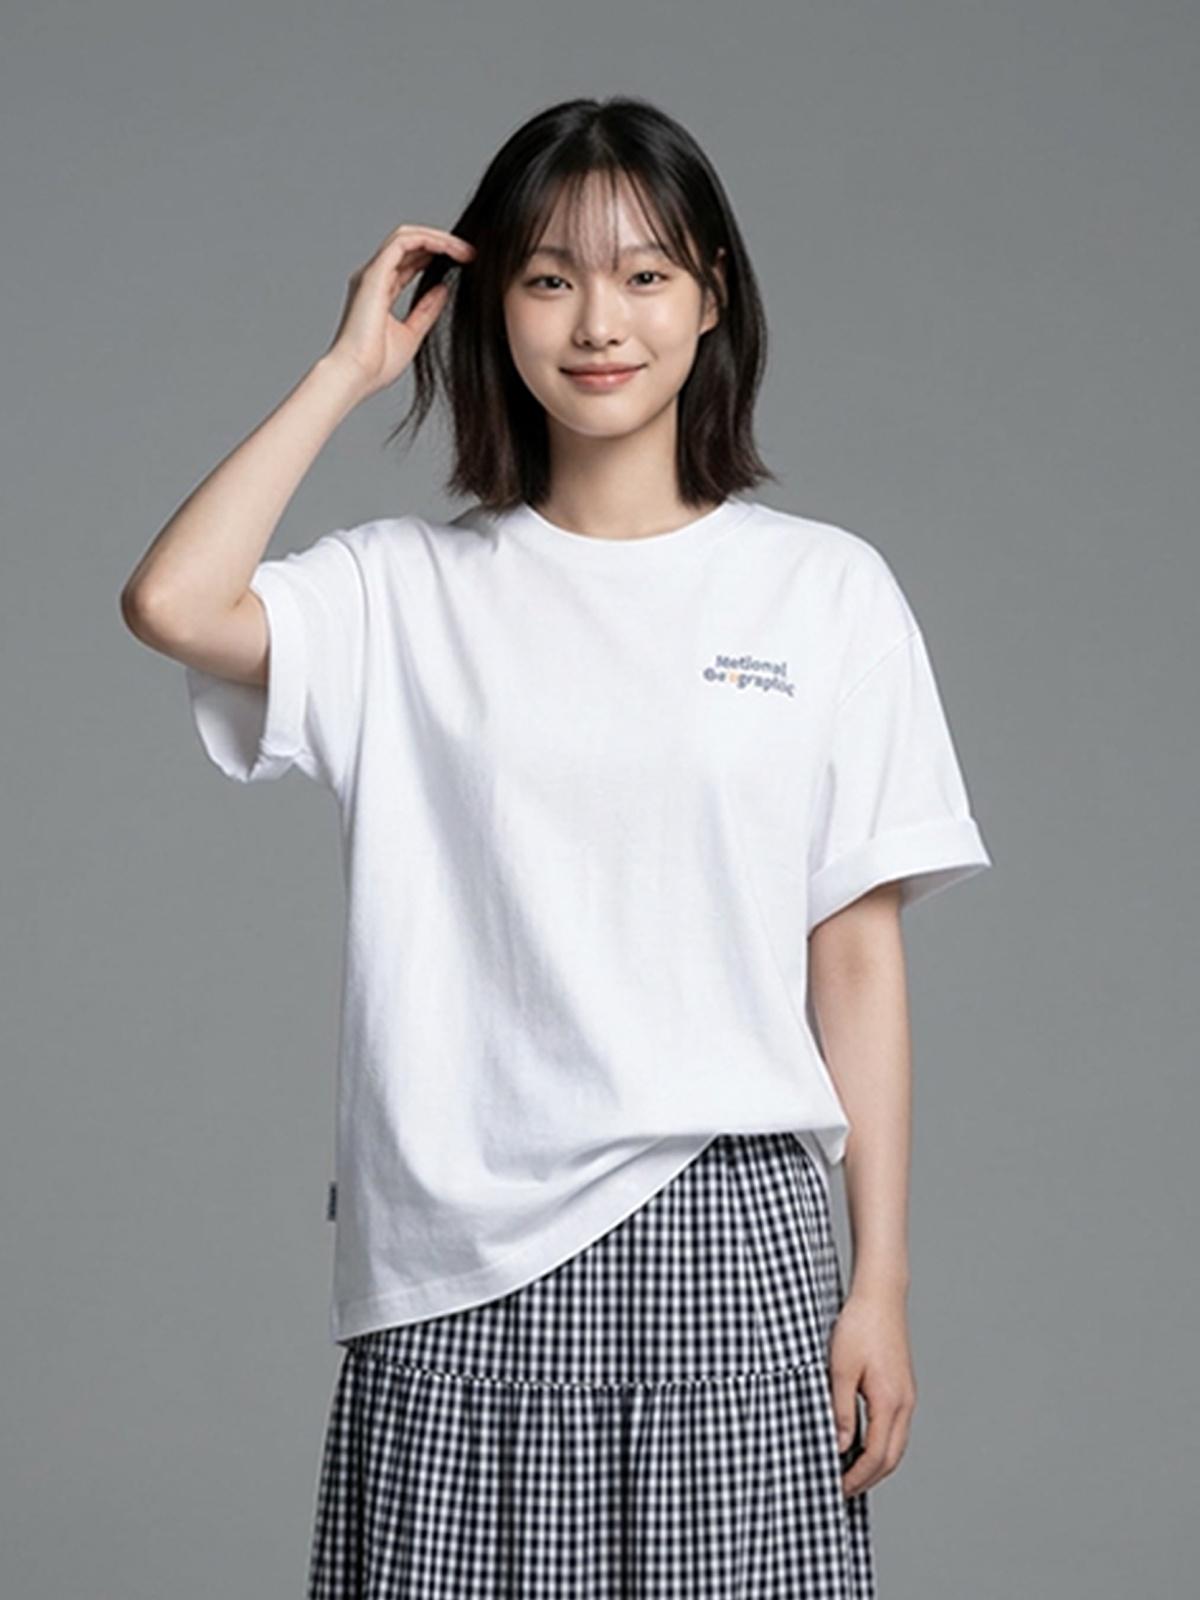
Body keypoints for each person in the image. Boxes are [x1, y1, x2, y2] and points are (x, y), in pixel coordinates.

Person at [120, 94, 992, 1600]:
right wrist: (344, 372)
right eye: (548, 277)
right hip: (451, 1256)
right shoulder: (400, 592)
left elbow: (854, 957)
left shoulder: (825, 593)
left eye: (645, 274)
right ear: (490, 307)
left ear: (712, 296)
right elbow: (173, 604)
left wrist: (883, 1284)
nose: (599, 321)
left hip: (729, 1238)